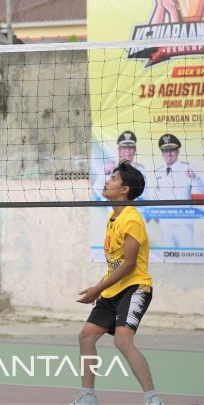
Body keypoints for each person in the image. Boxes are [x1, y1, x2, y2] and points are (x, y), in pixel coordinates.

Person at [71, 162, 163, 405]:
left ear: (124, 189)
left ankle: (153, 398)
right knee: (86, 337)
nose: (107, 181)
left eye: (113, 178)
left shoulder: (132, 219)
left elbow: (129, 264)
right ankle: (88, 396)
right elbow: (115, 265)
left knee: (122, 340)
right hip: (113, 289)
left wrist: (97, 289)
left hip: (135, 288)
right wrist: (98, 287)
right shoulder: (113, 217)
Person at [153, 133, 203, 247]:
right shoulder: (159, 171)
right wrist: (155, 213)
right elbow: (158, 194)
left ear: (178, 151)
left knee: (187, 255)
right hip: (165, 223)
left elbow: (201, 192)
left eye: (172, 150)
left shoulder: (188, 168)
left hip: (183, 223)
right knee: (168, 255)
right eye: (165, 151)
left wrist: (196, 178)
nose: (169, 154)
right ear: (162, 153)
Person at [93, 131, 147, 201]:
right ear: (119, 150)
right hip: (111, 206)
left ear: (135, 150)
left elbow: (145, 196)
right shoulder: (108, 167)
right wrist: (105, 174)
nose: (127, 151)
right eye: (124, 147)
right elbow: (97, 191)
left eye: (131, 147)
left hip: (133, 206)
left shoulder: (141, 169)